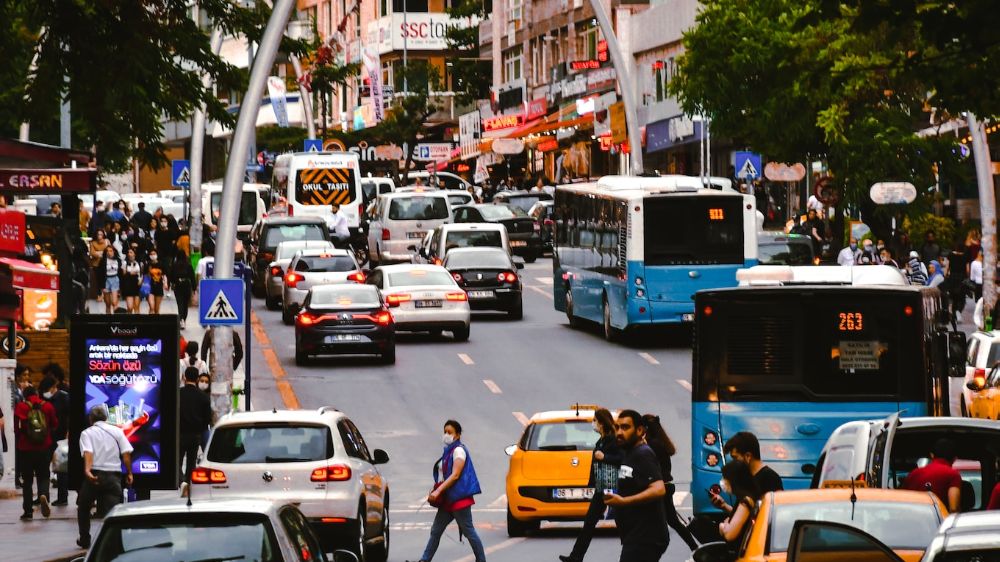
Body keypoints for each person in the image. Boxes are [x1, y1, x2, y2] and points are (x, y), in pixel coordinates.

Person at [409, 420, 485, 562]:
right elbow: (444, 476)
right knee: (436, 531)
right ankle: (424, 560)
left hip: (459, 500)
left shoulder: (459, 451)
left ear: (457, 435)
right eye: (445, 432)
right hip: (448, 500)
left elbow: (455, 475)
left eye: (450, 432)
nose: (446, 435)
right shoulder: (448, 451)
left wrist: (438, 492)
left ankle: (481, 560)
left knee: (469, 531)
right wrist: (435, 490)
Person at [602, 410, 668, 562]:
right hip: (635, 535)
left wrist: (624, 502)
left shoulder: (643, 454)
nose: (619, 432)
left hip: (646, 537)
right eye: (617, 427)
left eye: (625, 428)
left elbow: (658, 489)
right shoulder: (630, 453)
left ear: (639, 431)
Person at [560, 408, 625, 562]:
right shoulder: (601, 440)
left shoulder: (613, 439)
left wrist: (604, 457)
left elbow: (622, 458)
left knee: (622, 523)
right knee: (589, 523)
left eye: (595, 421)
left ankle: (632, 553)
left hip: (611, 486)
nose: (593, 424)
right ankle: (576, 556)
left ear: (601, 423)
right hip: (601, 486)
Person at [77, 405, 133, 548]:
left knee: (84, 506)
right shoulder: (117, 432)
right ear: (106, 418)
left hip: (95, 475)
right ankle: (115, 542)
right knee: (113, 512)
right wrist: (129, 473)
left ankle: (85, 539)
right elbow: (126, 454)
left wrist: (87, 470)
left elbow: (88, 453)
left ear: (91, 419)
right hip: (114, 476)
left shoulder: (86, 433)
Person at [643, 414, 700, 551]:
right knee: (672, 520)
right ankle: (694, 547)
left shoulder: (652, 444)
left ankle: (654, 548)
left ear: (645, 428)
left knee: (658, 521)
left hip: (660, 487)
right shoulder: (660, 442)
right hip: (667, 485)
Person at [14, 386, 56, 520]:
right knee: (43, 475)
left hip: (26, 448)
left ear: (25, 395)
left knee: (27, 480)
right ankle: (43, 494)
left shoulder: (21, 407)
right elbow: (55, 424)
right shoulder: (47, 406)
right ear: (37, 394)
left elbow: (17, 428)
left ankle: (27, 511)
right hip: (44, 448)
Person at [902, 438, 962, 513]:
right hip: (938, 523)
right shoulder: (953, 474)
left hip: (913, 521)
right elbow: (954, 508)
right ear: (954, 459)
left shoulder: (913, 474)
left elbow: (902, 503)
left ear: (932, 455)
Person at [721, 432, 783, 499]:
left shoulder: (770, 478)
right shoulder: (747, 477)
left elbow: (776, 507)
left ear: (748, 456)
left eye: (735, 457)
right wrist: (724, 506)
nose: (733, 462)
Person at [179, 366, 212, 492]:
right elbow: (207, 419)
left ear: (184, 377)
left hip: (180, 434)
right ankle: (188, 482)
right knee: (192, 461)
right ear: (197, 379)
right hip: (195, 434)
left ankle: (181, 481)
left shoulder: (178, 394)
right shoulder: (203, 397)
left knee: (179, 459)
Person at [38, 377, 70, 506]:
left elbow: (69, 416)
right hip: (45, 437)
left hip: (61, 437)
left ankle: (63, 497)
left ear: (53, 387)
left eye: (47, 389)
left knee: (61, 467)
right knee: (43, 466)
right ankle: (43, 495)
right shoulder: (43, 398)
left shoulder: (64, 397)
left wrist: (69, 432)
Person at [717, 460, 760, 545]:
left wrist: (722, 526)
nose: (723, 482)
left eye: (725, 479)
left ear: (733, 480)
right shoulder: (748, 496)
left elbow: (730, 535)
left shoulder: (746, 501)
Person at [170, 249, 195, 328]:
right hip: (187, 285)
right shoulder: (189, 265)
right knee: (185, 304)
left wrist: (172, 283)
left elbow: (171, 276)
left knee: (180, 303)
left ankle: (181, 319)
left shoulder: (174, 265)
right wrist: (194, 288)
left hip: (178, 286)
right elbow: (192, 277)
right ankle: (183, 318)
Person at [99, 245, 122, 313]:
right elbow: (100, 274)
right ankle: (108, 321)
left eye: (111, 251)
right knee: (108, 304)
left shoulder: (118, 260)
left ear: (114, 251)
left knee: (114, 302)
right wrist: (101, 286)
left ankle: (116, 320)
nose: (109, 252)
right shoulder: (103, 261)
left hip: (115, 279)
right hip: (106, 281)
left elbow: (120, 272)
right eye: (107, 251)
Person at [121, 248, 143, 313]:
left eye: (131, 252)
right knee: (130, 307)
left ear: (134, 254)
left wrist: (141, 280)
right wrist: (130, 273)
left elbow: (142, 273)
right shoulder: (125, 263)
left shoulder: (139, 262)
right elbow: (123, 273)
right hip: (128, 284)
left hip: (137, 284)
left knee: (136, 306)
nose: (129, 254)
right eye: (128, 252)